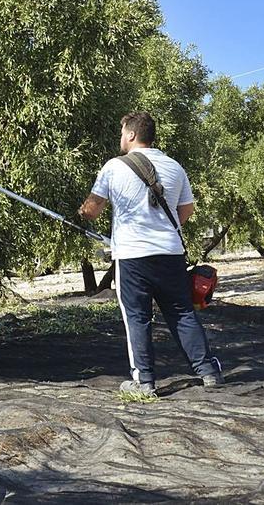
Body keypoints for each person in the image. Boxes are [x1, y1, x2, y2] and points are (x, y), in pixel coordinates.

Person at [78, 111, 222, 396]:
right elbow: (187, 209)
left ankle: (143, 382)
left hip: (132, 257)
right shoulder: (174, 167)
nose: (121, 138)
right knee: (181, 313)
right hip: (170, 253)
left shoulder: (114, 167)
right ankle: (208, 372)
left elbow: (92, 211)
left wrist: (79, 214)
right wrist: (163, 230)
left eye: (122, 133)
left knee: (137, 317)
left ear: (131, 134)